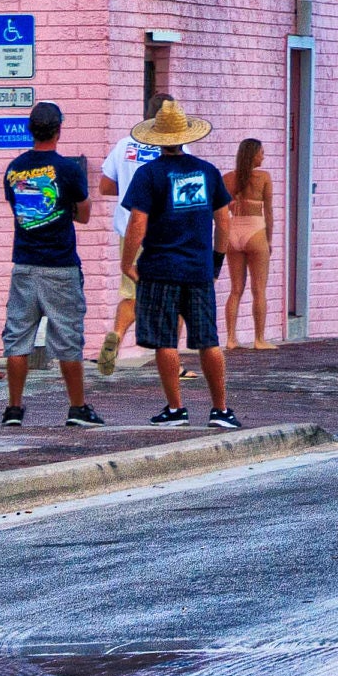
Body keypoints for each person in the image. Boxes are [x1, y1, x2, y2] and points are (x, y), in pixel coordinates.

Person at [120, 97, 241, 428]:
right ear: (186, 136)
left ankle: (175, 409)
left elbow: (137, 223)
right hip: (198, 268)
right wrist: (216, 258)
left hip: (160, 267)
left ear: (157, 138)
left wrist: (128, 261)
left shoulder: (149, 174)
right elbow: (224, 221)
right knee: (208, 341)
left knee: (165, 341)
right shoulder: (207, 171)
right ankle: (221, 409)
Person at [0, 103, 105, 429]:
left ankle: (13, 409)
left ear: (30, 130)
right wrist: (64, 211)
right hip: (60, 265)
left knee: (17, 339)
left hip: (25, 264)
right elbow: (85, 214)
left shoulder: (13, 169)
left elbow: (20, 211)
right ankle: (77, 407)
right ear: (58, 129)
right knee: (68, 340)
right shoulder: (69, 170)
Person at [95, 119, 160, 376]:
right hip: (164, 233)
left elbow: (105, 186)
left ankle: (117, 335)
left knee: (132, 293)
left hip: (129, 229)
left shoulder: (124, 145)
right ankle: (169, 359)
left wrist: (132, 190)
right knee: (174, 296)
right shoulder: (176, 147)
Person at [223, 137, 276, 350]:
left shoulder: (227, 178)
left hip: (233, 231)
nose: (263, 156)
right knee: (259, 289)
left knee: (235, 289)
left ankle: (230, 338)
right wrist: (269, 239)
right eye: (261, 152)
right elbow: (269, 212)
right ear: (253, 154)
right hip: (255, 231)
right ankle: (259, 338)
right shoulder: (263, 177)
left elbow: (222, 207)